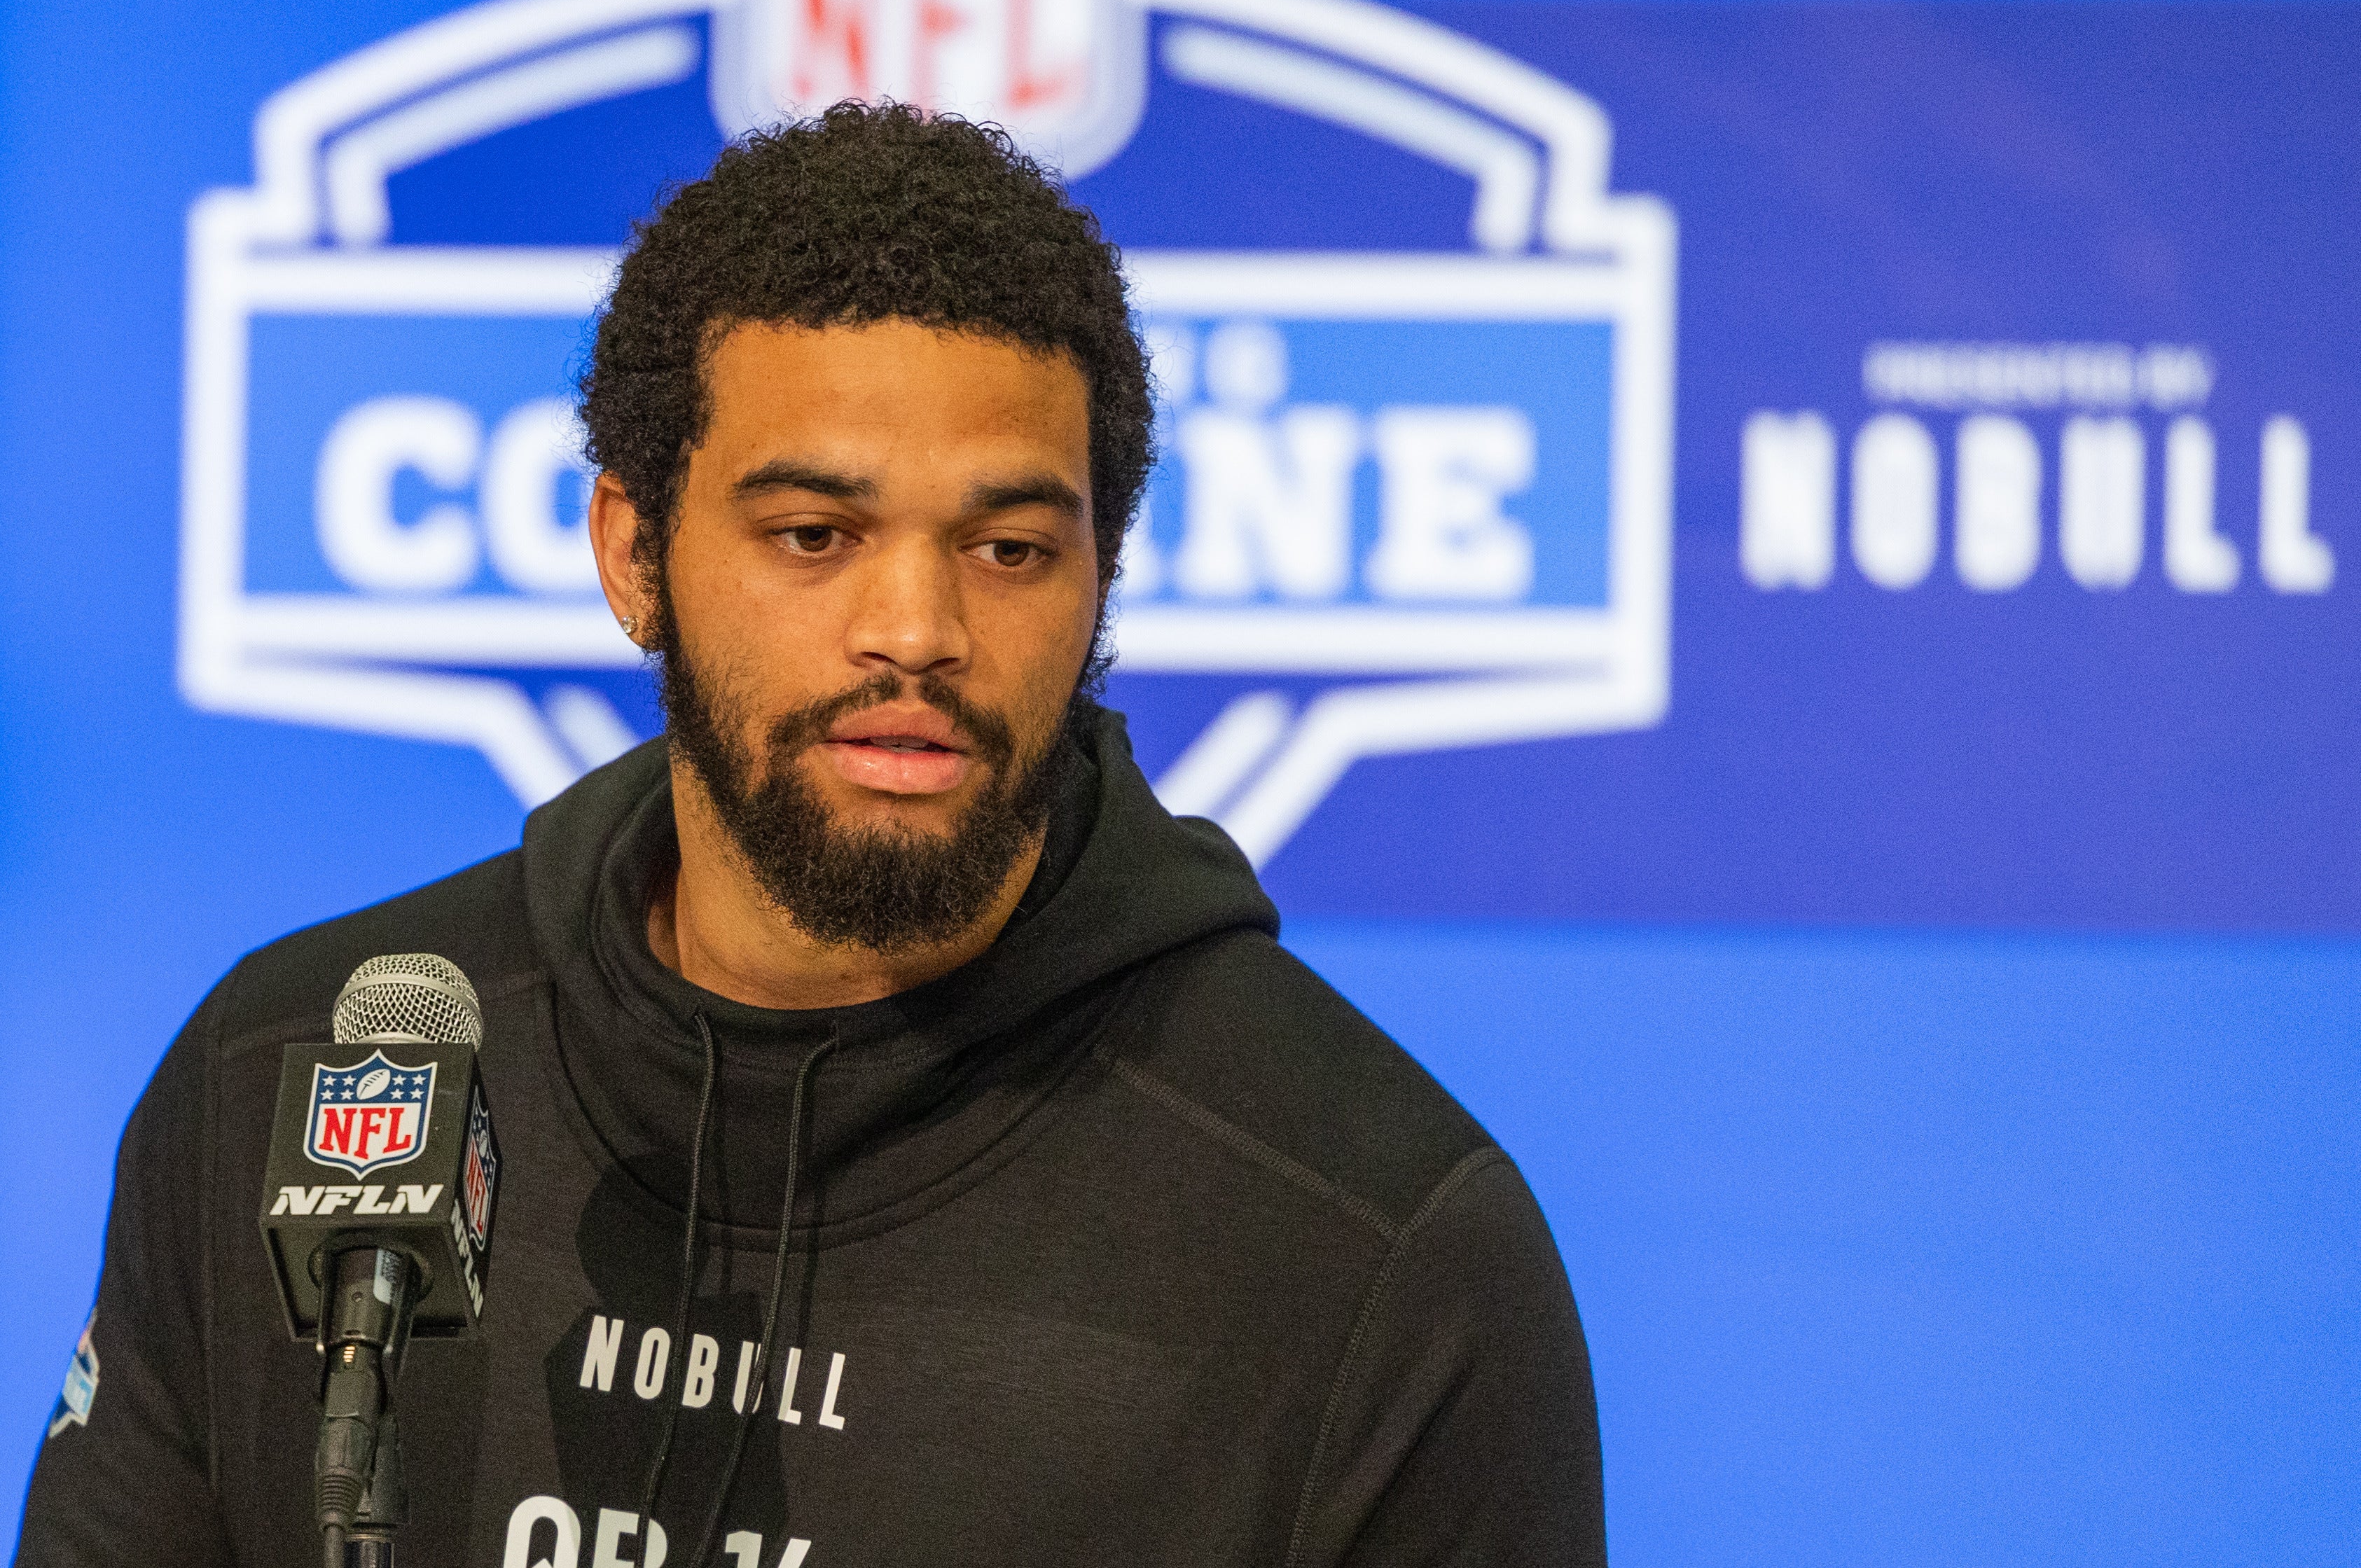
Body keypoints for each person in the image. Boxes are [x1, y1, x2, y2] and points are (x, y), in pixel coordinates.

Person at [20, 103, 1605, 1566]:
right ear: (634, 553)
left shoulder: (1367, 1246)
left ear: (1101, 579)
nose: (914, 628)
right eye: (813, 536)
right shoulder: (301, 1074)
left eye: (1007, 545)